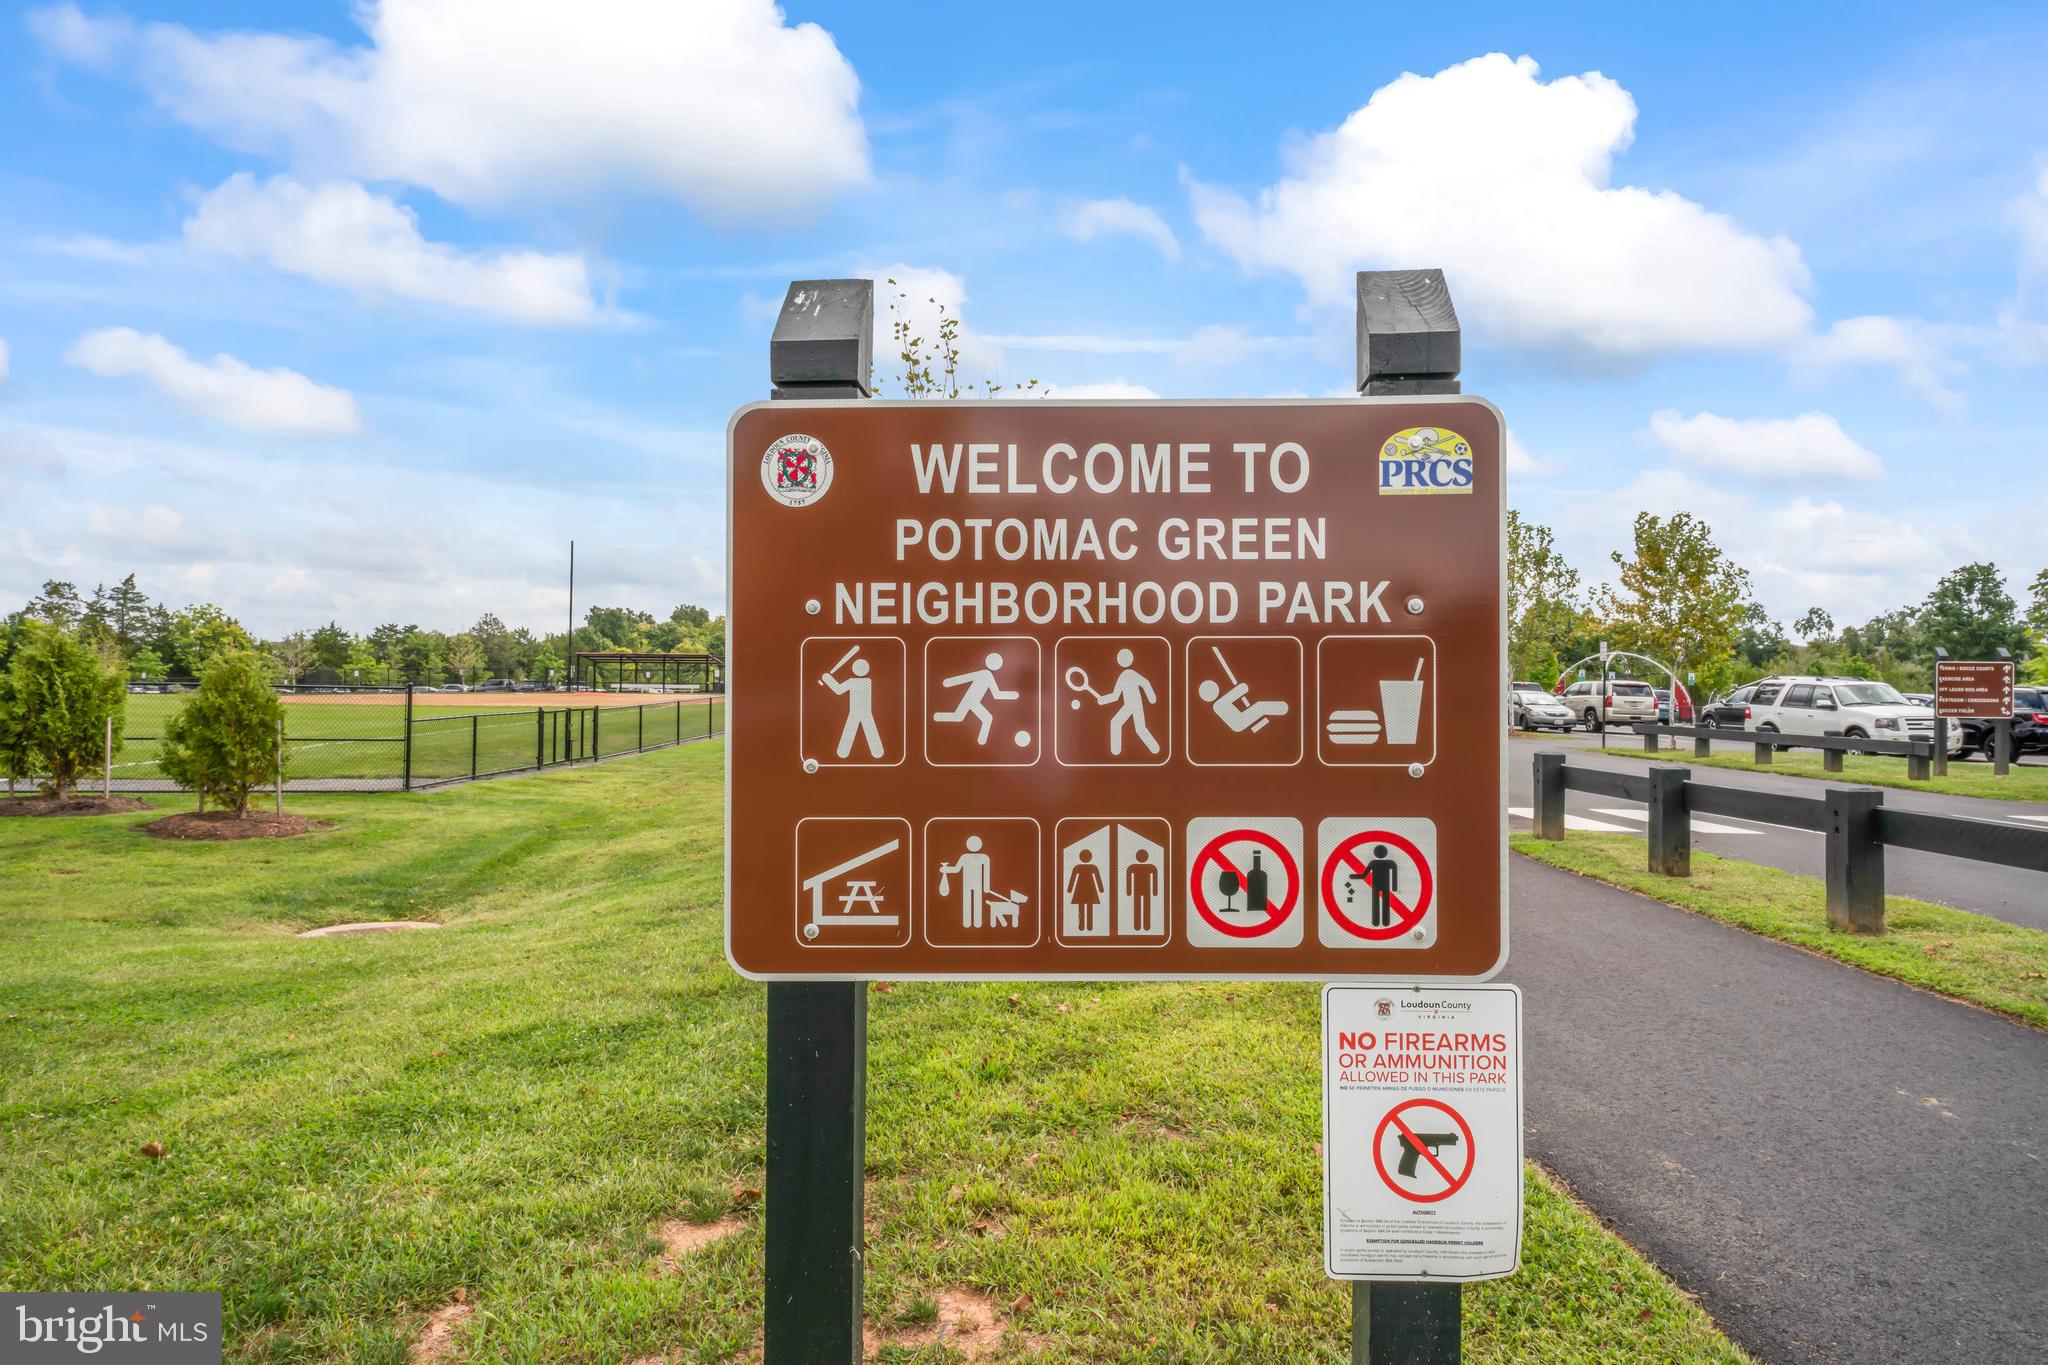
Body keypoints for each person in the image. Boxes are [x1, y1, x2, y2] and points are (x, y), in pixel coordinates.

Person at [933, 652, 1018, 746]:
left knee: (961, 716)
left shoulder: (988, 675)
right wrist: (949, 682)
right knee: (983, 718)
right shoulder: (985, 674)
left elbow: (996, 694)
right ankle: (981, 741)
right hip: (970, 700)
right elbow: (965, 678)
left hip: (973, 701)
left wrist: (1013, 695)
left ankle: (937, 716)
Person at [1100, 648, 1160, 756]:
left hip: (1134, 705)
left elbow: (1145, 683)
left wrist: (1152, 697)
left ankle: (1154, 748)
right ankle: (1116, 750)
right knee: (1128, 725)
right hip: (1130, 705)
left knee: (1131, 726)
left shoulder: (1129, 674)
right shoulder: (1123, 675)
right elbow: (1116, 695)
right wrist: (1103, 700)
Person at [820, 655, 881, 758]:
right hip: (865, 712)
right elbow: (839, 690)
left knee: (851, 731)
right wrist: (827, 677)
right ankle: (877, 753)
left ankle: (844, 753)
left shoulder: (853, 681)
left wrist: (827, 678)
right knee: (870, 731)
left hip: (856, 711)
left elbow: (838, 690)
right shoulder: (867, 681)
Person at [1199, 676, 1290, 733]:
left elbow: (1242, 689)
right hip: (1240, 721)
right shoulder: (1218, 705)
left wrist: (1242, 687)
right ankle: (1283, 708)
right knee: (1260, 707)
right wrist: (1242, 686)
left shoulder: (1217, 706)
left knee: (1260, 706)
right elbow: (1243, 688)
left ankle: (1283, 708)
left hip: (1239, 722)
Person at [939, 835, 993, 929]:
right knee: (967, 902)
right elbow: (956, 869)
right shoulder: (964, 857)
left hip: (977, 885)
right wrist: (946, 869)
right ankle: (967, 922)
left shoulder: (984, 858)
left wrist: (986, 886)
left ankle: (977, 923)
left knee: (977, 902)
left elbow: (986, 872)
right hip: (967, 884)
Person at [1065, 848, 1105, 934]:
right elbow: (1073, 878)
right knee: (1083, 907)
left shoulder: (1088, 867)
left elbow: (1097, 878)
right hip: (1085, 890)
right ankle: (1084, 925)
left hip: (1084, 889)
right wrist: (1069, 888)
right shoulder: (1084, 867)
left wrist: (1070, 889)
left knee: (1084, 907)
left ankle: (1086, 925)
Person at [1125, 846, 1158, 933]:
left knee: (1146, 907)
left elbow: (1155, 879)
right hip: (1137, 891)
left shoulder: (1151, 867)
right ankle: (1137, 925)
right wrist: (1128, 891)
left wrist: (1155, 891)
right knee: (1138, 907)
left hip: (1146, 891)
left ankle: (1146, 925)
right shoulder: (1132, 867)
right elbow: (1129, 879)